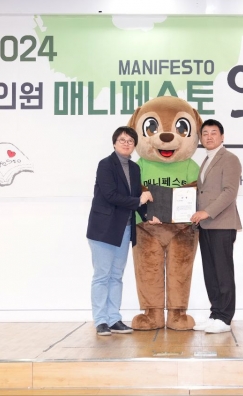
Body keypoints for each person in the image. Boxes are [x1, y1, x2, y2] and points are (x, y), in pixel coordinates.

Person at [86, 126, 154, 336]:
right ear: (114, 143)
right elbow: (111, 195)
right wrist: (139, 200)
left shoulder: (134, 168)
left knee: (116, 276)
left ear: (134, 145)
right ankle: (101, 320)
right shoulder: (105, 165)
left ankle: (114, 318)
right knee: (102, 276)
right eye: (122, 140)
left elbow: (135, 198)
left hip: (125, 229)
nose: (126, 143)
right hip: (104, 229)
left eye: (130, 141)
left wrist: (148, 216)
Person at [190, 119, 242, 334]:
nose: (209, 137)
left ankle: (225, 318)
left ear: (222, 136)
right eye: (205, 133)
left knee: (223, 272)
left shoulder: (229, 159)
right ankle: (215, 314)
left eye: (213, 133)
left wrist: (207, 212)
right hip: (205, 225)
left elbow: (230, 192)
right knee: (211, 272)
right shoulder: (206, 160)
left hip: (221, 223)